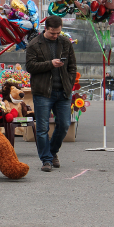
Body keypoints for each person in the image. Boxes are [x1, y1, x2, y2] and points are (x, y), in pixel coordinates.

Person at [25, 15, 76, 172]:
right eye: (52, 33)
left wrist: (69, 82)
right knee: (42, 128)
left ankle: (52, 152)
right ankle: (46, 160)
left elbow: (72, 66)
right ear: (45, 29)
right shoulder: (34, 44)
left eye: (58, 33)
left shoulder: (65, 42)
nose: (55, 36)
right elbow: (30, 67)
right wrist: (50, 64)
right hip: (43, 92)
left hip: (63, 91)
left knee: (64, 124)